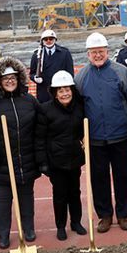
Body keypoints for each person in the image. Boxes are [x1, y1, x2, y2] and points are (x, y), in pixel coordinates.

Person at [0, 56, 42, 249]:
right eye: (6, 78)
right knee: (3, 201)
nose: (10, 81)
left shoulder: (29, 101)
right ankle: (3, 234)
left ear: (19, 78)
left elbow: (40, 127)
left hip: (26, 161)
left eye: (13, 77)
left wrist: (39, 156)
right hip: (0, 164)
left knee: (26, 197)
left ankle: (28, 228)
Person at [74, 33, 127, 233]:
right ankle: (105, 215)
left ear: (107, 51)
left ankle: (123, 214)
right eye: (94, 52)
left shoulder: (122, 73)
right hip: (95, 139)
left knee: (123, 177)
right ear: (88, 54)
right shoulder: (81, 77)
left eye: (101, 51)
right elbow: (78, 108)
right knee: (99, 179)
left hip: (120, 136)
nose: (98, 55)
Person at [36, 70, 87, 241]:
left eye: (67, 90)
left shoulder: (79, 109)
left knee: (75, 192)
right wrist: (43, 162)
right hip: (56, 161)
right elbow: (40, 137)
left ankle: (76, 222)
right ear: (55, 93)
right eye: (61, 91)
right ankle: (60, 226)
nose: (65, 94)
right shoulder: (45, 110)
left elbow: (82, 132)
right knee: (60, 194)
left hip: (74, 158)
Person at [30, 29, 74, 103]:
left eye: (51, 39)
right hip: (43, 93)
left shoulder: (65, 53)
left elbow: (70, 73)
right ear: (42, 41)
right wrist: (35, 78)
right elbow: (32, 73)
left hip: (60, 90)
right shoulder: (37, 55)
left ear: (55, 39)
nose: (48, 41)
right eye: (45, 39)